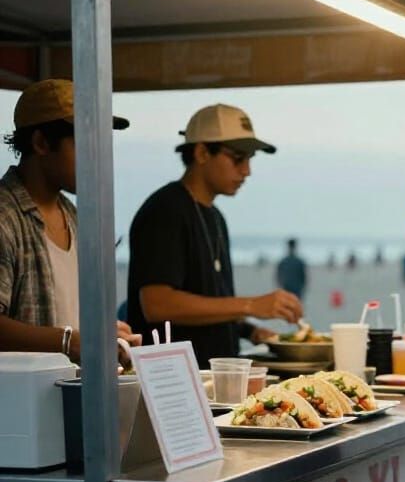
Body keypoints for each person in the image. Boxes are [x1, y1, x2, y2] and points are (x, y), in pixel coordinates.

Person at [126, 104, 303, 367]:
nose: (247, 170)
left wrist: (248, 330)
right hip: (175, 382)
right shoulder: (165, 210)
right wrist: (251, 305)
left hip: (215, 378)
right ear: (201, 152)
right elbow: (156, 304)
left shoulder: (215, 217)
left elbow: (210, 301)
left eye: (250, 159)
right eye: (238, 158)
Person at [0, 79, 139, 362]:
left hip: (71, 400)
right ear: (41, 142)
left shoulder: (74, 215)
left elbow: (70, 319)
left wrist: (102, 334)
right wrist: (67, 341)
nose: (99, 158)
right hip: (18, 404)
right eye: (87, 144)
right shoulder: (5, 216)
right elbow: (68, 337)